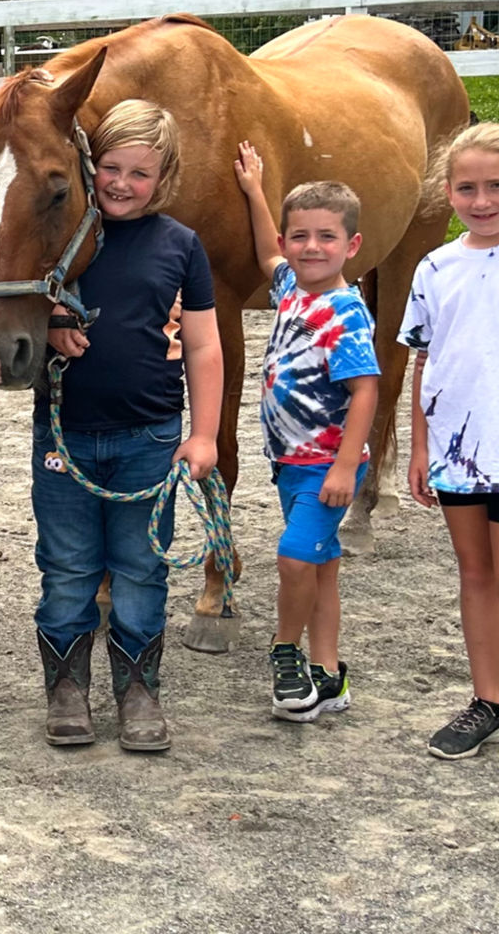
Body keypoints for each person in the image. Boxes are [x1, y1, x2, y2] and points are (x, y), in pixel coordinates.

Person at [39, 102, 221, 751]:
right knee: (66, 565)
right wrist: (50, 325)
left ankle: (138, 690)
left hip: (149, 437)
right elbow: (19, 316)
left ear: (164, 176)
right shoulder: (61, 237)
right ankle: (67, 689)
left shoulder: (181, 245)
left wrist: (202, 435)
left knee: (142, 567)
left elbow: (203, 346)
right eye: (110, 167)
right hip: (65, 435)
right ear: (91, 168)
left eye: (138, 173)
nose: (120, 182)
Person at [235, 145, 378, 723]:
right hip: (290, 463)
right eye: (301, 237)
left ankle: (284, 650)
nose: (310, 247)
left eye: (326, 237)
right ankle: (329, 672)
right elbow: (270, 251)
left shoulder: (345, 312)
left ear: (352, 246)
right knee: (321, 565)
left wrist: (346, 467)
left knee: (294, 558)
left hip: (327, 465)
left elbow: (365, 390)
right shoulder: (291, 288)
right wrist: (255, 192)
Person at [400, 121, 499, 758]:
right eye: (468, 187)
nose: (482, 200)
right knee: (476, 573)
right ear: (447, 191)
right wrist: (418, 447)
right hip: (459, 452)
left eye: (495, 186)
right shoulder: (435, 266)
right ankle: (486, 699)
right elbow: (422, 359)